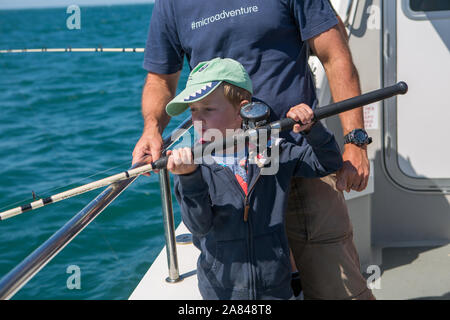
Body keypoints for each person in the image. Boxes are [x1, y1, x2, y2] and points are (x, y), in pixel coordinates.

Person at [133, 0, 375, 300]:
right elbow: (160, 79)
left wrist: (355, 140)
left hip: (296, 156)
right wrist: (152, 128)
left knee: (340, 290)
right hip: (226, 177)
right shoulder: (171, 5)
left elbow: (334, 54)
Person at [165, 57, 342, 300]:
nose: (198, 120)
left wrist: (313, 129)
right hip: (220, 293)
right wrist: (188, 178)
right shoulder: (195, 165)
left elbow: (328, 163)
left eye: (208, 109)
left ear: (244, 109)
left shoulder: (274, 151)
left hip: (276, 290)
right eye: (193, 110)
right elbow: (199, 226)